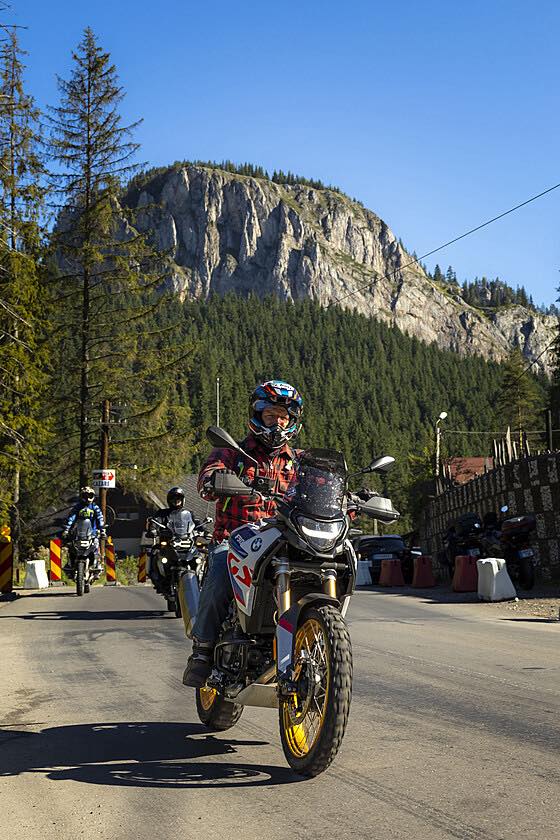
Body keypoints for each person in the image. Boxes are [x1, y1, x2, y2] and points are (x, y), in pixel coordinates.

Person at [183, 380, 303, 687]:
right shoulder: (231, 453)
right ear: (257, 415)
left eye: (284, 417)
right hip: (236, 540)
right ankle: (203, 649)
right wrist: (217, 479)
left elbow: (321, 490)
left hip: (282, 543)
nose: (278, 423)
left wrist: (351, 499)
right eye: (271, 415)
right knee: (222, 567)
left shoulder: (300, 462)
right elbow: (208, 478)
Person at [146, 486, 197, 594]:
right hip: (168, 544)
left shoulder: (189, 514)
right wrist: (153, 530)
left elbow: (197, 523)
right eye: (174, 498)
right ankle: (157, 579)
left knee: (201, 555)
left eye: (179, 498)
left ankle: (201, 578)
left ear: (183, 500)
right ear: (169, 500)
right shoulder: (162, 514)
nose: (176, 500)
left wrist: (204, 530)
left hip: (186, 543)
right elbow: (155, 522)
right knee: (154, 553)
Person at [62, 486, 106, 572]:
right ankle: (70, 563)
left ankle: (97, 564)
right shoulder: (77, 507)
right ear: (82, 496)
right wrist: (66, 529)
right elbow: (71, 517)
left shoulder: (95, 507)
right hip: (78, 533)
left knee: (96, 546)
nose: (87, 498)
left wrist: (102, 530)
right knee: (71, 547)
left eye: (90, 495)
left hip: (92, 533)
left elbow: (100, 518)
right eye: (85, 496)